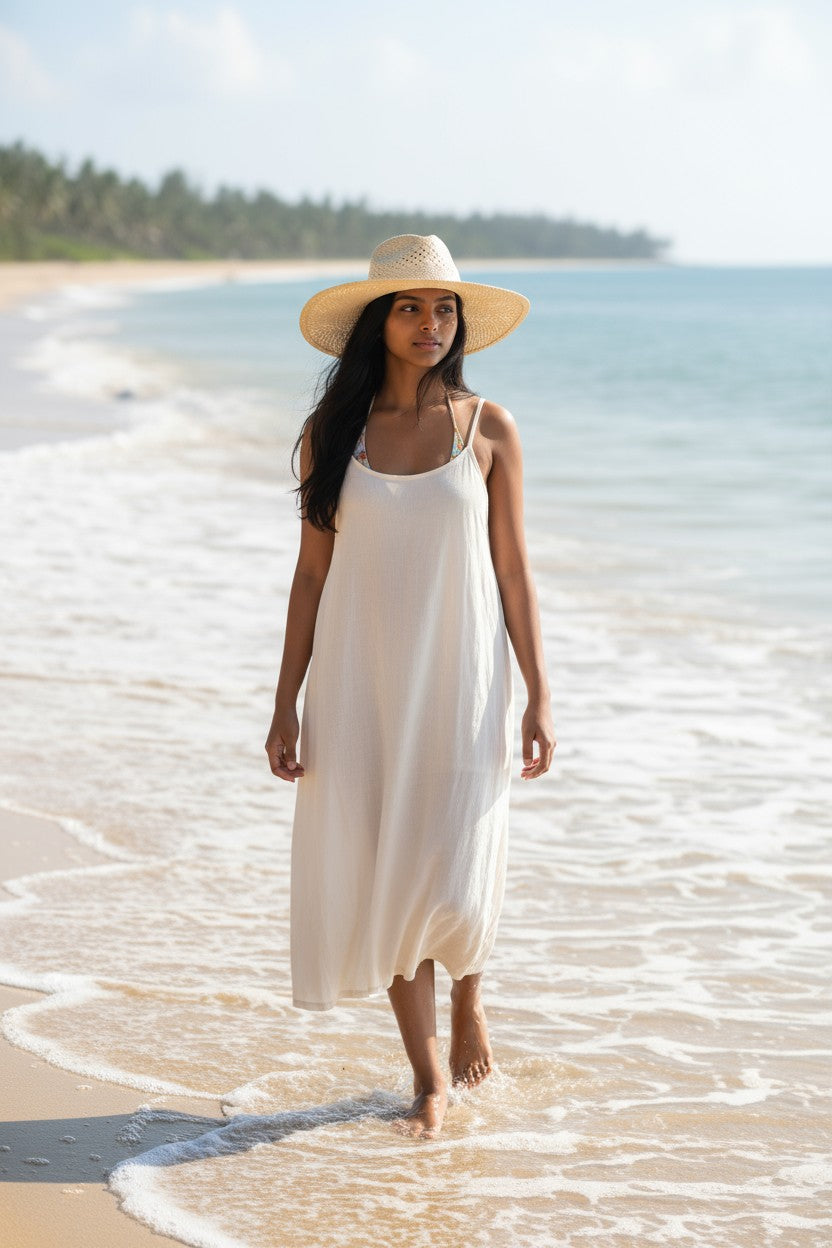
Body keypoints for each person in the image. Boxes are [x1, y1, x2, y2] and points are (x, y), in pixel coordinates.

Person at [265, 234, 556, 1140]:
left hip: (464, 679)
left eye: (444, 309)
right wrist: (284, 701)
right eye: (409, 308)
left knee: (457, 867)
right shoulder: (333, 436)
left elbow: (514, 570)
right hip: (361, 685)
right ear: (377, 325)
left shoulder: (488, 428)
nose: (431, 324)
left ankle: (471, 994)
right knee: (390, 870)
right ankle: (426, 1078)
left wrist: (541, 694)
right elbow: (311, 577)